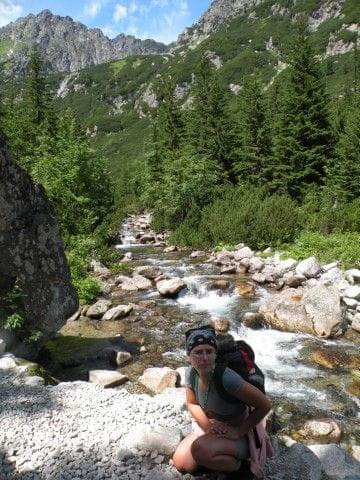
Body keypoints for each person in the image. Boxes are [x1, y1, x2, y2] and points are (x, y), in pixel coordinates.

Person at [173, 325, 272, 478]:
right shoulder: (191, 373)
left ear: (215, 354)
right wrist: (207, 426)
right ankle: (215, 457)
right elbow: (192, 403)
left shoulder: (227, 378)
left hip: (239, 431)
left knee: (200, 449)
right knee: (181, 463)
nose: (205, 358)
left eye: (209, 351)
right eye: (198, 352)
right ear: (188, 355)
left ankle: (241, 468)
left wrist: (238, 431)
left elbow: (265, 405)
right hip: (214, 425)